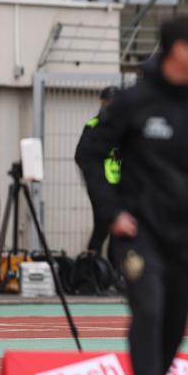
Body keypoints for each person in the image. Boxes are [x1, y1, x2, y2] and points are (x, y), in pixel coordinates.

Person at [75, 15, 188, 375]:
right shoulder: (133, 102)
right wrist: (111, 212)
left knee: (175, 322)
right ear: (180, 49)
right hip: (138, 233)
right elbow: (89, 154)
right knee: (150, 307)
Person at [76, 85, 121, 256]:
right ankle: (91, 270)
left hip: (121, 187)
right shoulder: (94, 126)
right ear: (102, 103)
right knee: (103, 226)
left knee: (118, 233)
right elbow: (82, 156)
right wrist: (96, 181)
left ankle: (115, 276)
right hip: (102, 187)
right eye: (108, 102)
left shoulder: (125, 127)